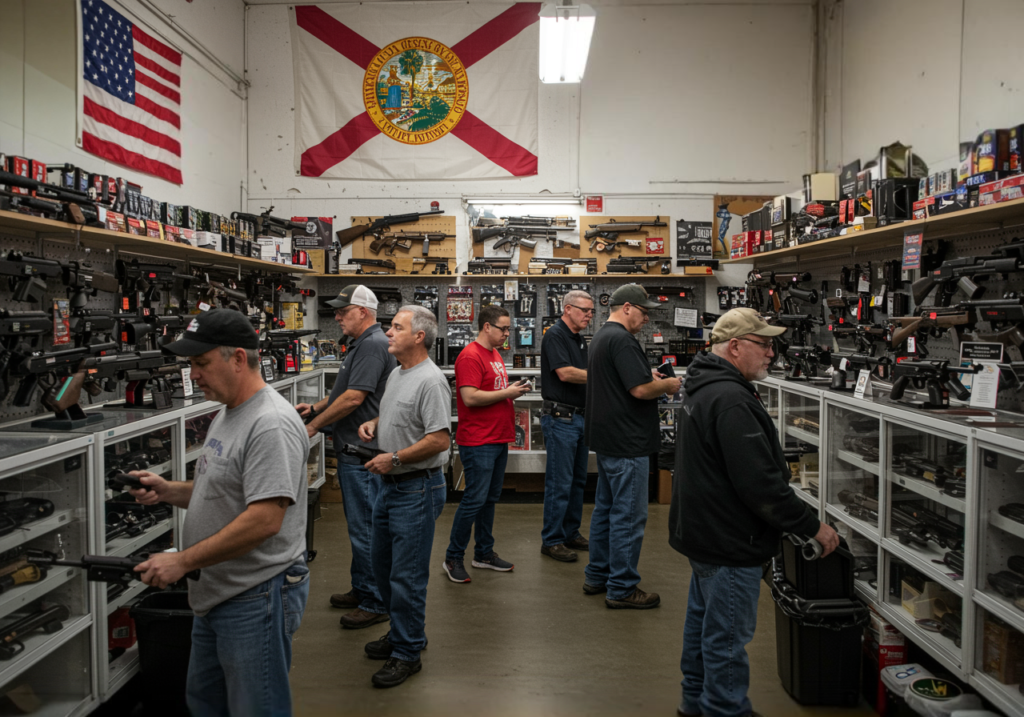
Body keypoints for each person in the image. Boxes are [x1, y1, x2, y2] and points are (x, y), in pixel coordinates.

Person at [129, 309, 311, 717]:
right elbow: (225, 492)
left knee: (254, 708)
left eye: (201, 363)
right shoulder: (230, 412)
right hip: (218, 592)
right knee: (207, 703)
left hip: (256, 593)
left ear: (238, 360)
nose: (193, 375)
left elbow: (265, 519)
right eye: (191, 364)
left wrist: (182, 561)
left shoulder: (270, 423)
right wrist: (168, 491)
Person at [670, 307, 840, 717]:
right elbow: (761, 487)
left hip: (704, 535)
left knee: (703, 631)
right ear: (735, 346)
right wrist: (812, 526)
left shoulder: (704, 385)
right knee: (726, 640)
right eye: (763, 345)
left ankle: (694, 705)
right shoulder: (730, 400)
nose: (771, 353)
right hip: (730, 541)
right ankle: (725, 711)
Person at [356, 304, 451, 687]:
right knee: (382, 567)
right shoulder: (399, 373)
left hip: (417, 487)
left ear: (419, 337)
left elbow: (439, 439)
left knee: (406, 576)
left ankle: (407, 652)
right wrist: (375, 422)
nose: (388, 332)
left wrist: (393, 457)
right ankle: (402, 633)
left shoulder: (431, 381)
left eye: (396, 327)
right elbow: (401, 413)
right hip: (390, 486)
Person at [295, 285, 396, 629]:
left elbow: (354, 399)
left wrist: (313, 427)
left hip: (362, 454)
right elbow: (345, 391)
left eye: (343, 311)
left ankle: (375, 600)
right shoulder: (364, 344)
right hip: (356, 450)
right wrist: (316, 408)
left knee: (366, 530)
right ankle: (362, 587)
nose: (337, 316)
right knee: (360, 527)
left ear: (364, 312)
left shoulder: (371, 345)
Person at [583, 285, 682, 609]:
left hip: (611, 441)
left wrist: (646, 375)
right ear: (627, 307)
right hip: (629, 444)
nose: (646, 317)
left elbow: (626, 380)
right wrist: (666, 384)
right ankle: (622, 587)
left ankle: (598, 575)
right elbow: (639, 391)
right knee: (628, 517)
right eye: (643, 311)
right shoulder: (623, 340)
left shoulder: (602, 337)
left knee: (607, 512)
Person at [442, 305, 530, 583]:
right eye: (503, 328)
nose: (507, 334)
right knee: (474, 500)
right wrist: (508, 391)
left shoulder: (494, 354)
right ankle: (452, 557)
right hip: (479, 440)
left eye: (508, 329)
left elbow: (490, 392)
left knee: (489, 499)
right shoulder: (470, 356)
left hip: (497, 436)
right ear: (486, 327)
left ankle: (484, 553)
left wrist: (510, 393)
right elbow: (469, 397)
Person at [539, 289, 595, 563]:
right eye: (585, 310)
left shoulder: (578, 339)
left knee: (577, 481)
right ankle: (551, 540)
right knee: (560, 482)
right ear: (568, 309)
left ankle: (570, 532)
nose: (589, 315)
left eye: (591, 311)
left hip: (579, 418)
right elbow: (565, 373)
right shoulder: (556, 335)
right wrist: (603, 376)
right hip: (561, 419)